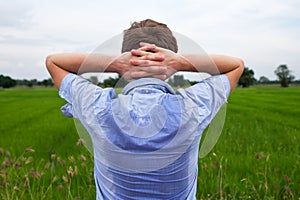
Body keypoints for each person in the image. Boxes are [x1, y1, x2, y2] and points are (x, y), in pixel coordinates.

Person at [46, 19, 244, 200]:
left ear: (125, 55)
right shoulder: (193, 106)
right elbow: (236, 66)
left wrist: (116, 64)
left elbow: (54, 63)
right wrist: (179, 62)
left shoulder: (99, 107)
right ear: (168, 58)